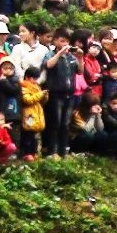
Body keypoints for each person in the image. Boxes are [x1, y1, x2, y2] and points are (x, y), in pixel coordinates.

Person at [43, 27, 78, 158]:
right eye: (62, 41)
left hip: (69, 94)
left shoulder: (71, 56)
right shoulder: (50, 53)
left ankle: (64, 152)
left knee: (66, 124)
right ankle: (53, 151)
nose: (64, 44)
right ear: (55, 40)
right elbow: (48, 65)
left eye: (66, 41)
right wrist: (59, 53)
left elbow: (80, 71)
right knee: (55, 123)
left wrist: (80, 58)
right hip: (55, 94)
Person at [19, 66, 46, 160]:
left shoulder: (37, 87)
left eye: (36, 78)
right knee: (28, 134)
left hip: (36, 113)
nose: (35, 80)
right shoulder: (24, 87)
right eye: (33, 78)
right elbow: (28, 100)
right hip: (29, 115)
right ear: (27, 77)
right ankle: (27, 153)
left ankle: (34, 153)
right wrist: (40, 94)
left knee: (34, 136)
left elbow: (41, 102)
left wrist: (45, 96)